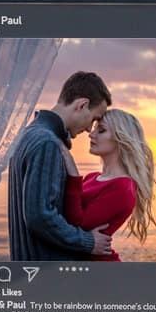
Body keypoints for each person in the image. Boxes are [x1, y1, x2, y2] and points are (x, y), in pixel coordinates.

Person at [8, 71, 114, 260]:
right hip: (47, 271)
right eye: (93, 119)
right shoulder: (47, 143)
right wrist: (88, 242)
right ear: (82, 105)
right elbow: (40, 217)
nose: (89, 129)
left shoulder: (30, 134)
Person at [60, 108, 156, 261]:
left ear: (120, 138)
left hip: (100, 270)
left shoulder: (123, 188)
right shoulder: (92, 177)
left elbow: (77, 225)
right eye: (94, 129)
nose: (91, 134)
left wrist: (73, 174)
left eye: (101, 130)